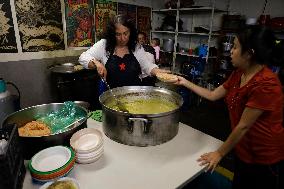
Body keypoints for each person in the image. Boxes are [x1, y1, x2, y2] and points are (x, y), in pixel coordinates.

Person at [174, 25, 284, 189]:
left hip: (263, 156)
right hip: (242, 148)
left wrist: (219, 153)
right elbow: (213, 95)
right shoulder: (239, 73)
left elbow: (244, 126)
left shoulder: (266, 84)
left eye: (235, 47)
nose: (230, 51)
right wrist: (184, 82)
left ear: (249, 53)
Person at [79, 15, 168, 88]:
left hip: (135, 94)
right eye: (118, 34)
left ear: (131, 32)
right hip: (112, 96)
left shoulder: (136, 47)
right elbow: (83, 57)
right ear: (112, 34)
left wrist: (158, 72)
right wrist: (96, 63)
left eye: (126, 33)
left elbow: (147, 66)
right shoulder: (104, 45)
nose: (123, 38)